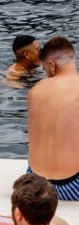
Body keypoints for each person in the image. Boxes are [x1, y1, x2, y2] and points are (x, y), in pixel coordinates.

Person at [28, 36, 79, 200]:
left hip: (34, 184)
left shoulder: (35, 90)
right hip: (72, 187)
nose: (46, 74)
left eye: (44, 70)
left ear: (51, 65)